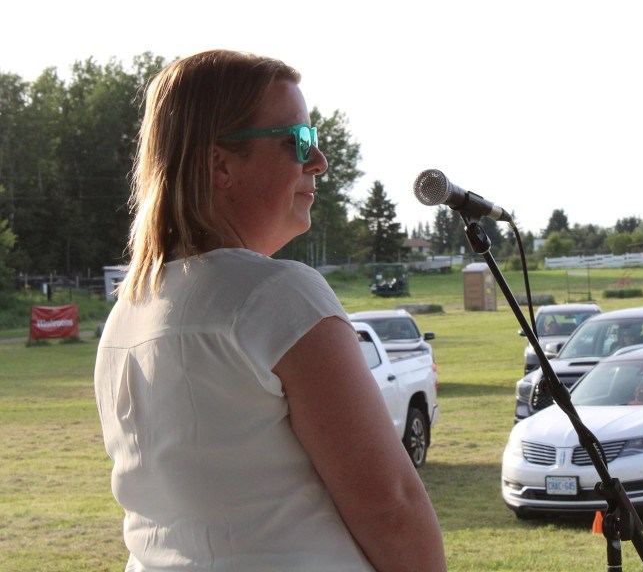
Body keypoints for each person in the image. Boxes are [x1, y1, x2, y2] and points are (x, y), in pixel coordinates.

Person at [93, 50, 446, 571]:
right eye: (297, 141)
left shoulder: (127, 311)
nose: (318, 161)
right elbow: (390, 506)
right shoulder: (280, 295)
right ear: (220, 165)